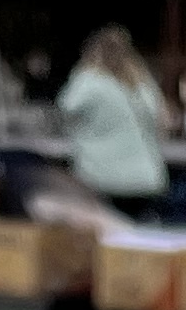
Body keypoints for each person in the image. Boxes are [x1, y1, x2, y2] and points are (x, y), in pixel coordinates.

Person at [57, 24, 170, 215]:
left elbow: (66, 107)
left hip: (102, 179)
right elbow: (162, 118)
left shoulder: (90, 80)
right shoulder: (142, 83)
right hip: (146, 179)